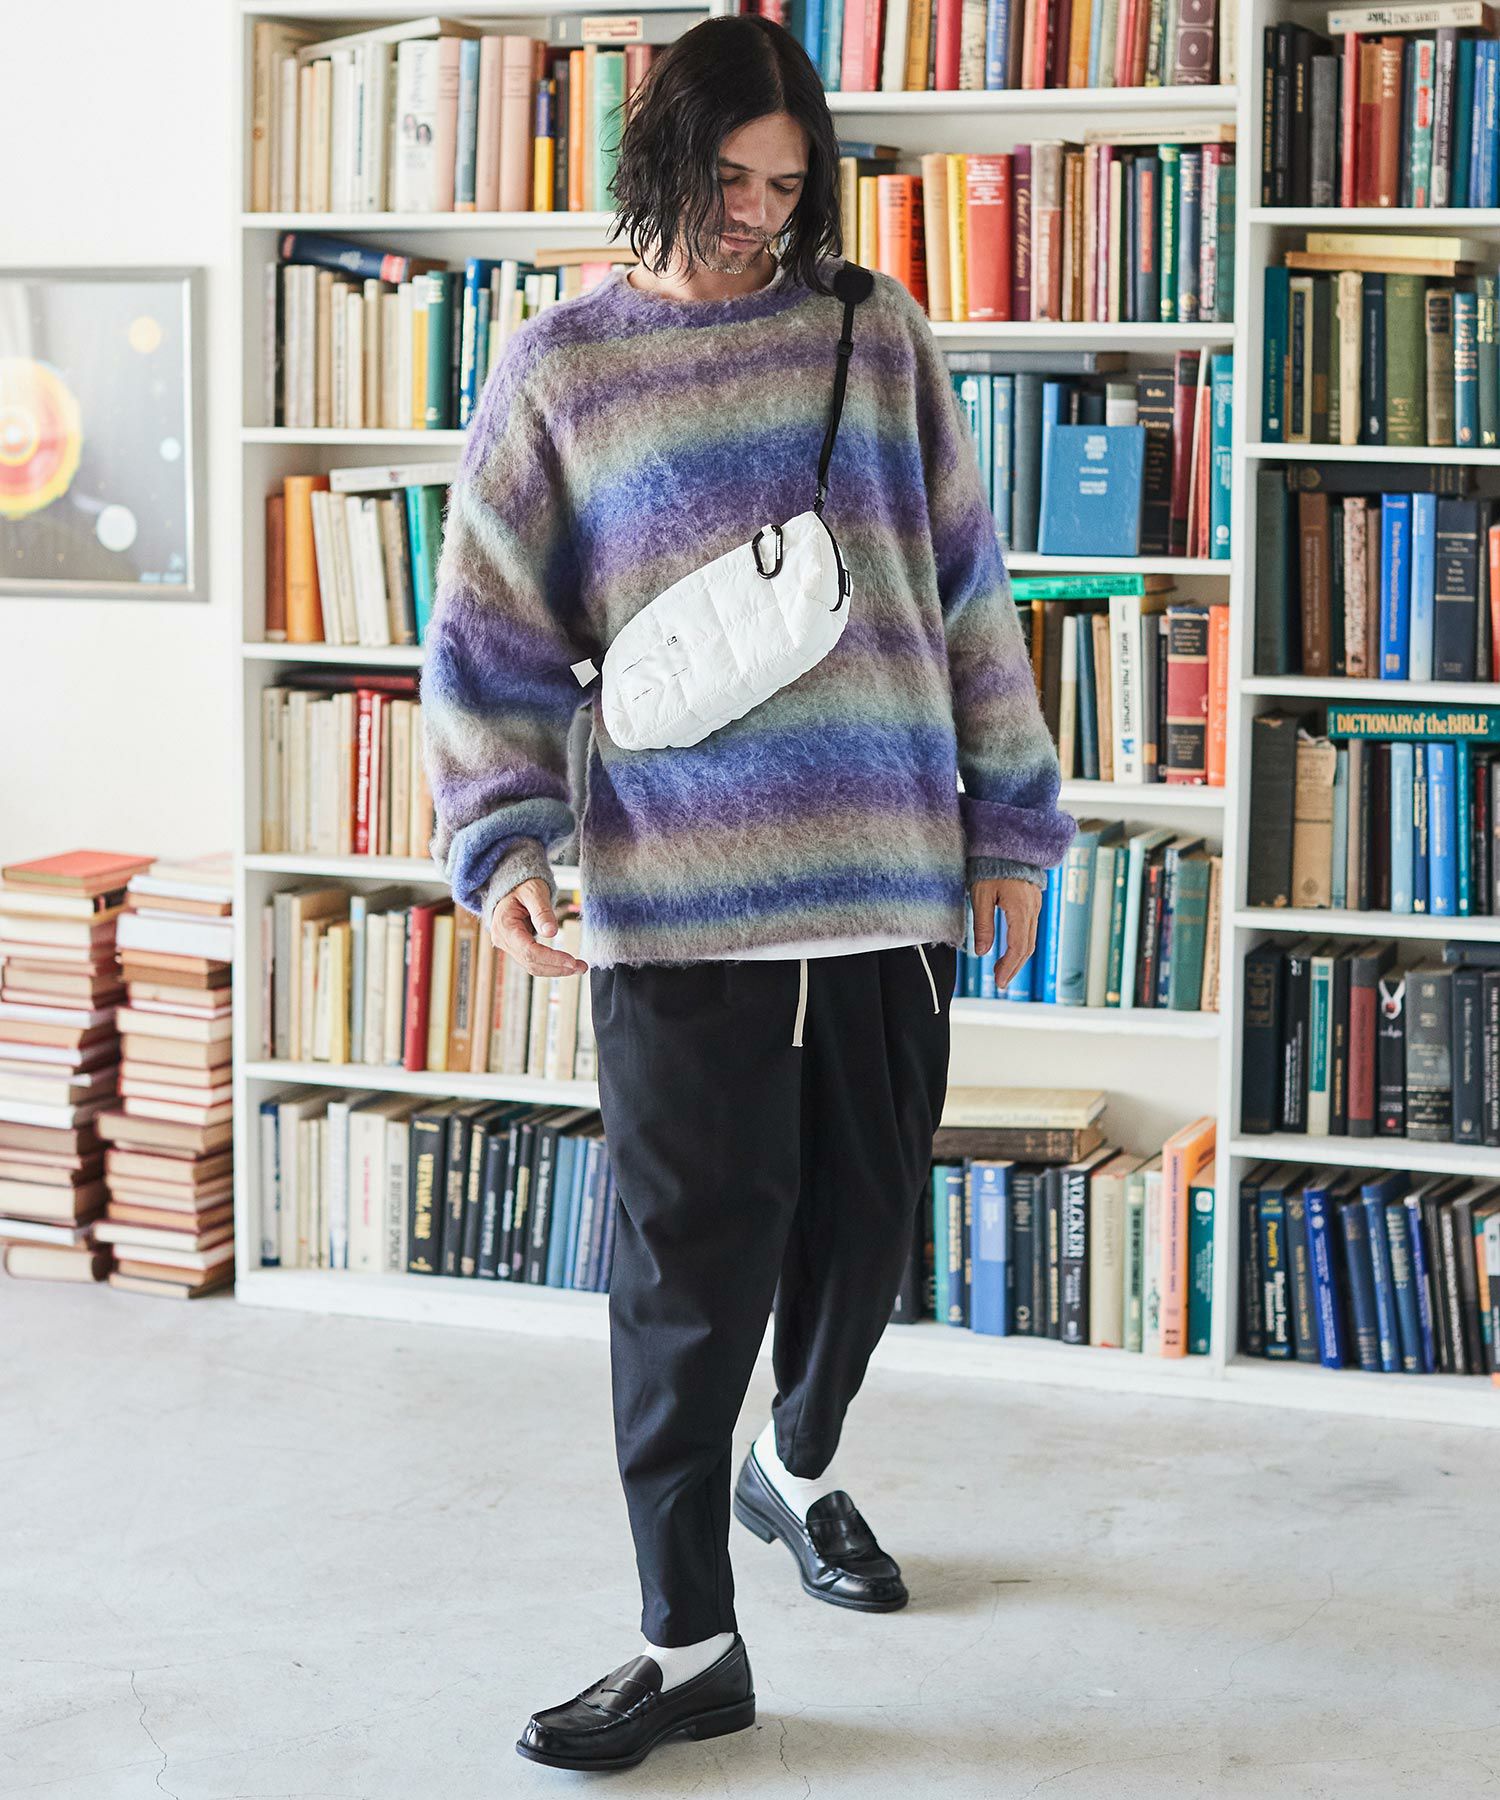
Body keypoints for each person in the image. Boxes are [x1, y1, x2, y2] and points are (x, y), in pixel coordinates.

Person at [420, 12, 1075, 1775]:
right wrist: (501, 847)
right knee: (684, 1283)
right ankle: (687, 1640)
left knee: (864, 1247)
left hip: (886, 888)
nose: (758, 217)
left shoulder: (874, 333)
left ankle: (795, 1469)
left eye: (788, 187)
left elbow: (966, 591)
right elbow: (489, 637)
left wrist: (1011, 827)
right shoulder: (562, 368)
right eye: (728, 180)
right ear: (660, 158)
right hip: (681, 910)